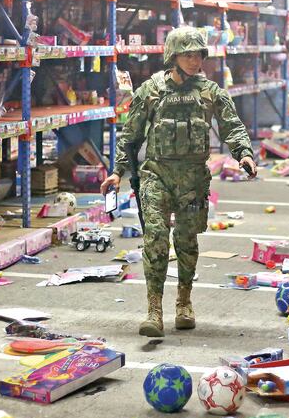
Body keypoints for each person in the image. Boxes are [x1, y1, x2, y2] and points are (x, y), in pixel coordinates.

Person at [101, 26, 257, 337]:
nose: (193, 60)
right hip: (156, 175)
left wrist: (244, 153)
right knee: (155, 239)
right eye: (187, 54)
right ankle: (154, 310)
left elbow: (232, 126)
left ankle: (184, 303)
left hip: (193, 179)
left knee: (186, 242)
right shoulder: (151, 90)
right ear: (173, 55)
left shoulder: (211, 92)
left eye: (198, 54)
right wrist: (118, 171)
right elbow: (130, 137)